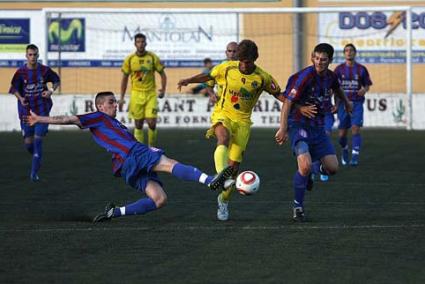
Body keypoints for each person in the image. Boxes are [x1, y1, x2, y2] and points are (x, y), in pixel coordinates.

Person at [24, 91, 233, 222]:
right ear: (100, 106)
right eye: (112, 102)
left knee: (159, 199)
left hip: (125, 167)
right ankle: (211, 181)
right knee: (170, 164)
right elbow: (69, 119)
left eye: (115, 102)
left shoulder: (116, 124)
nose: (116, 105)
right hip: (133, 154)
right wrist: (40, 118)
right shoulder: (97, 117)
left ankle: (115, 213)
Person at [178, 39, 284, 221]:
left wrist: (298, 106)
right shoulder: (227, 68)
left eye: (247, 61)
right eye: (241, 60)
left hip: (242, 123)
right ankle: (221, 176)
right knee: (222, 137)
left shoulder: (262, 78)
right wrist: (189, 80)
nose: (243, 65)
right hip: (223, 113)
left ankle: (223, 200)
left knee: (233, 170)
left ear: (255, 59)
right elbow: (209, 76)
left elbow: (279, 95)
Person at [275, 43, 352, 222]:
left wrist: (346, 102)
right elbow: (287, 102)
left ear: (330, 61)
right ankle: (298, 206)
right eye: (316, 58)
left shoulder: (331, 76)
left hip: (318, 127)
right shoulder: (303, 77)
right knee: (304, 165)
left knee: (332, 168)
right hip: (299, 125)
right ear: (312, 57)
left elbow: (338, 88)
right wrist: (283, 127)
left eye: (323, 59)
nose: (319, 62)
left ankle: (312, 171)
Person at [9, 44, 60, 182]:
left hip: (42, 111)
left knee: (38, 141)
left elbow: (56, 80)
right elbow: (13, 89)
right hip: (26, 113)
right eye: (30, 54)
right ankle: (38, 158)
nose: (32, 57)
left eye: (35, 54)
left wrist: (50, 91)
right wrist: (21, 98)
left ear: (38, 55)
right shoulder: (20, 73)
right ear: (26, 56)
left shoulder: (44, 71)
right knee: (28, 145)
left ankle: (34, 173)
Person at [119, 33, 167, 147]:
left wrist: (163, 89)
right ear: (135, 44)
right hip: (136, 94)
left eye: (142, 42)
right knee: (138, 124)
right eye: (138, 42)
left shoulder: (152, 57)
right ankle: (140, 150)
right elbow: (124, 79)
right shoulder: (130, 59)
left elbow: (163, 74)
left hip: (150, 93)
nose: (140, 44)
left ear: (146, 43)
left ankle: (152, 148)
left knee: (152, 123)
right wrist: (121, 97)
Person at [334, 43, 373, 166]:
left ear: (355, 53)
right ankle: (345, 149)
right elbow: (334, 88)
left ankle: (355, 155)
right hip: (342, 104)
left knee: (355, 128)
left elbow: (367, 84)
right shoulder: (339, 69)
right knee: (341, 134)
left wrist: (364, 89)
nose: (349, 52)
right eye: (346, 50)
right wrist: (335, 104)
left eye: (351, 50)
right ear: (344, 54)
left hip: (356, 103)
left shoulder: (361, 69)